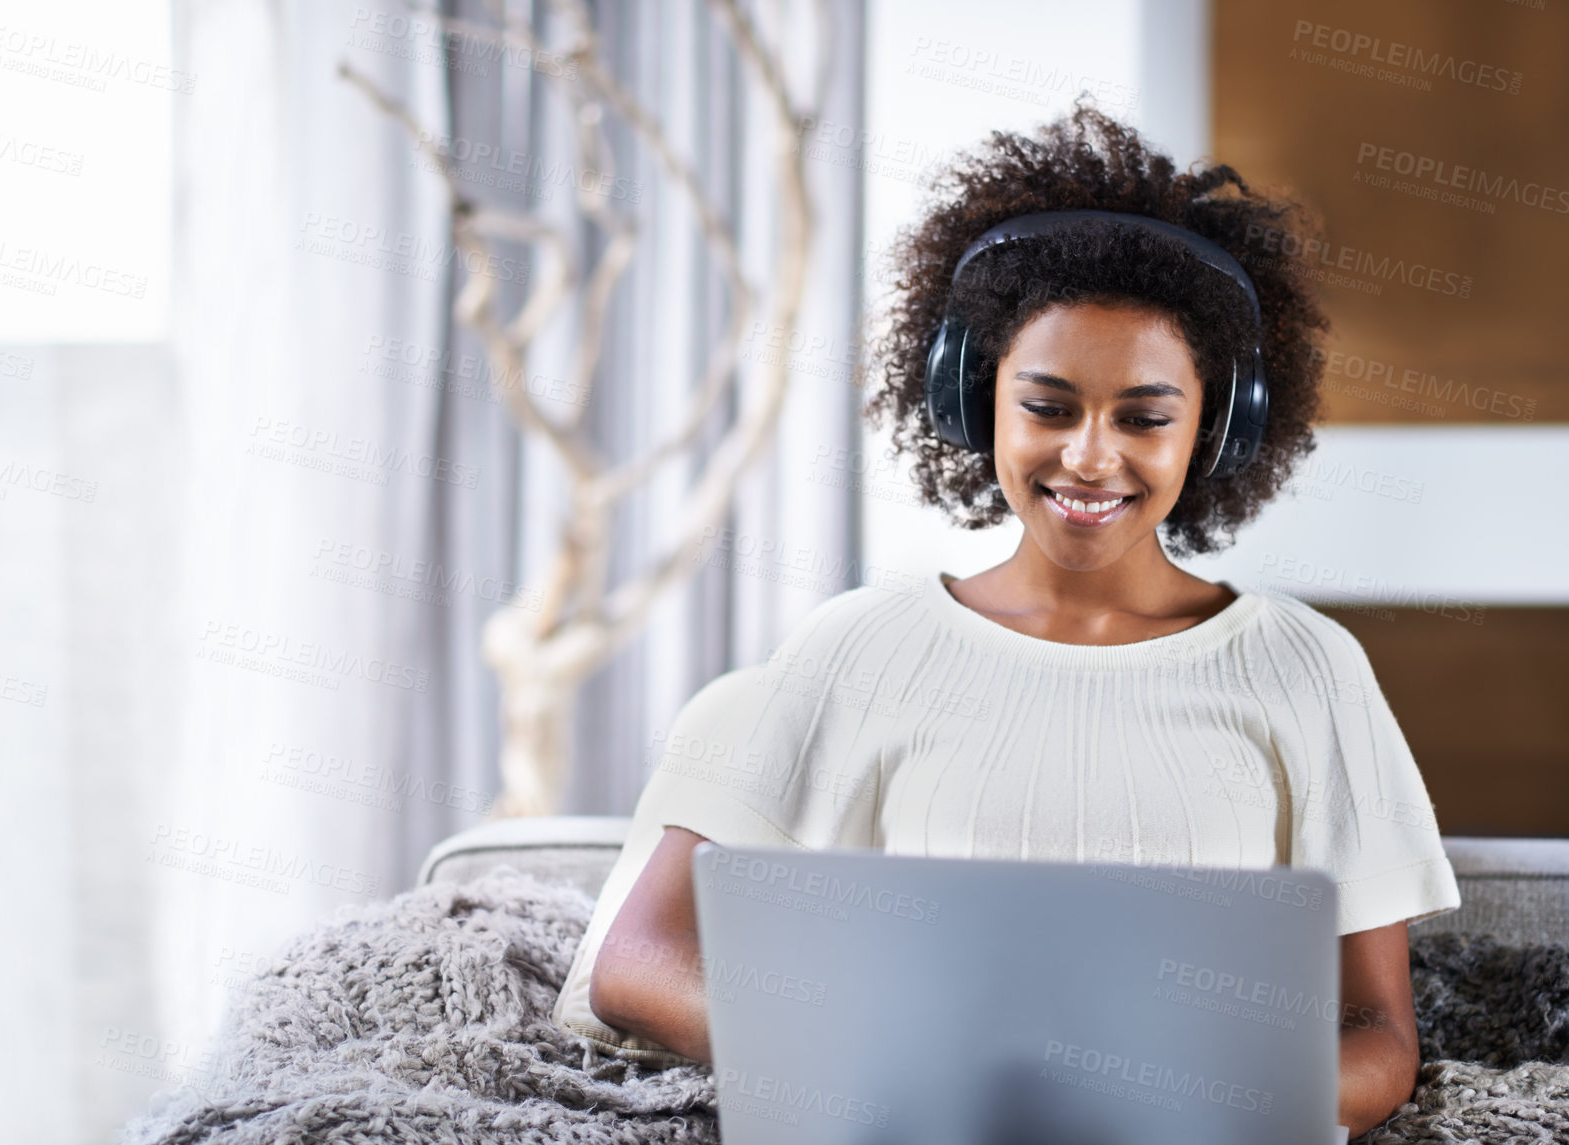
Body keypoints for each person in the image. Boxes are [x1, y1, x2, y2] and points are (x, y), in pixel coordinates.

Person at [550, 98, 1460, 1138]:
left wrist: (1175, 1093)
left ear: (1218, 429)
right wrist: (890, 1061)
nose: (1088, 456)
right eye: (1049, 405)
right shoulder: (860, 648)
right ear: (972, 397)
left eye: (1145, 417)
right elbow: (640, 961)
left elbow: (1379, 1038)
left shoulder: (1306, 669)